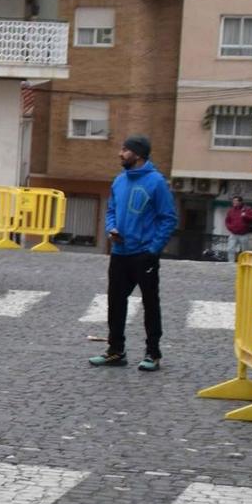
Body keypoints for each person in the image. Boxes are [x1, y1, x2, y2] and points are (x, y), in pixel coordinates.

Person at [91, 134, 177, 372]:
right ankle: (116, 351)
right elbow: (110, 211)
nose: (120, 153)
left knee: (150, 304)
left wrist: (153, 249)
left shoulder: (156, 182)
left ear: (137, 154)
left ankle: (153, 353)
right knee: (115, 303)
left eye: (125, 149)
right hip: (119, 252)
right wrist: (112, 228)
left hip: (144, 254)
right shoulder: (119, 181)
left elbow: (168, 218)